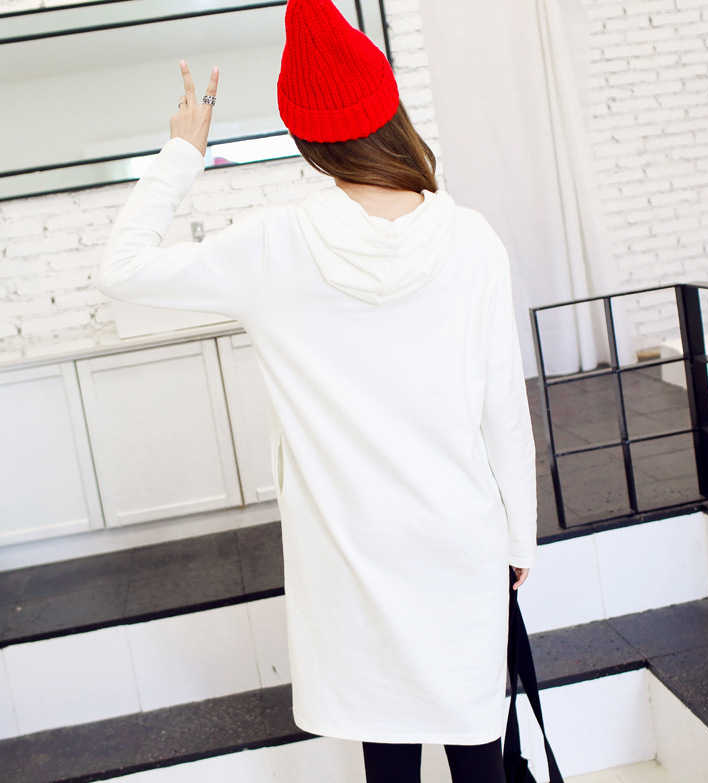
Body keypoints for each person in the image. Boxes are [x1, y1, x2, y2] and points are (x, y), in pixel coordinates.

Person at [95, 1, 537, 780]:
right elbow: (503, 405)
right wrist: (518, 538)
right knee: (480, 754)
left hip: (349, 549)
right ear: (390, 109)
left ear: (305, 134)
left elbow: (122, 272)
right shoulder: (471, 239)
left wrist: (182, 153)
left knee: (387, 756)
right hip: (459, 536)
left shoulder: (270, 246)